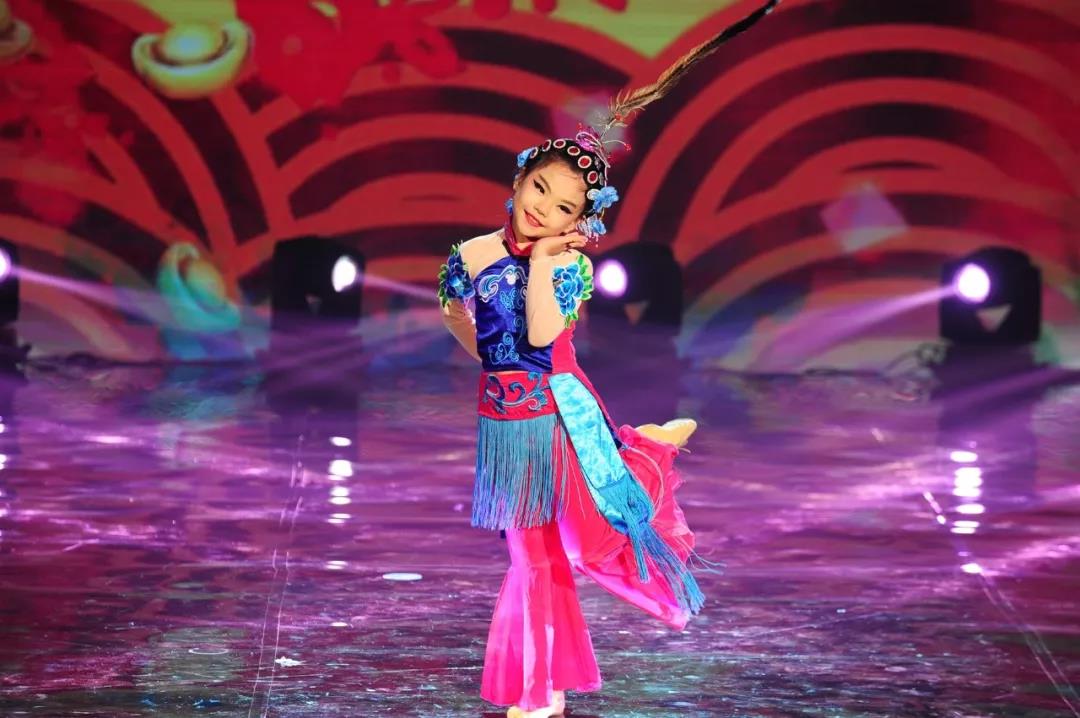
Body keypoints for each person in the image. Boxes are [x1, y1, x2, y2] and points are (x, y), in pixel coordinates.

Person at [438, 5, 779, 715]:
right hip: (504, 426)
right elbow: (454, 314)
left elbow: (540, 333)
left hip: (562, 417)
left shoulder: (567, 269)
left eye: (563, 208)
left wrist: (541, 263)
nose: (543, 209)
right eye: (539, 188)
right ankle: (543, 691)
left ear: (577, 224)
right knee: (533, 559)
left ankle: (646, 453)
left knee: (592, 548)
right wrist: (490, 365)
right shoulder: (469, 254)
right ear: (520, 179)